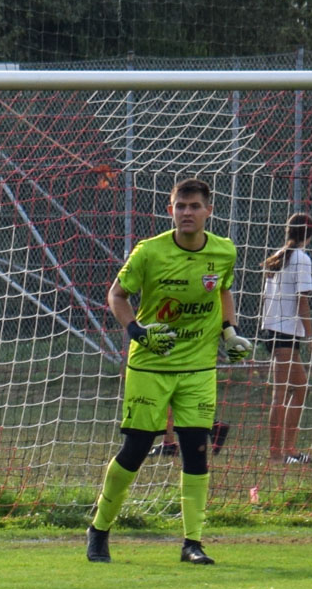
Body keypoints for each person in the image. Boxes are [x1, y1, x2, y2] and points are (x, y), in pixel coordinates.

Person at [85, 177, 251, 566]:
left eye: (194, 206)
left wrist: (230, 331)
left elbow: (222, 290)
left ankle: (192, 543)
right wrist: (137, 332)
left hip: (198, 367)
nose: (187, 212)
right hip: (151, 365)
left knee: (196, 450)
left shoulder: (224, 251)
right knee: (137, 449)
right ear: (170, 210)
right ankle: (100, 529)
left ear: (209, 211)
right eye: (181, 206)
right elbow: (116, 295)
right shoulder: (150, 252)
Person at [258, 213, 312, 464]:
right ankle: (276, 453)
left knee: (300, 388)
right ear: (309, 235)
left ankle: (290, 449)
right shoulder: (301, 258)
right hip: (284, 333)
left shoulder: (279, 255)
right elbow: (302, 301)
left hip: (277, 331)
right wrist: (310, 336)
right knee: (281, 393)